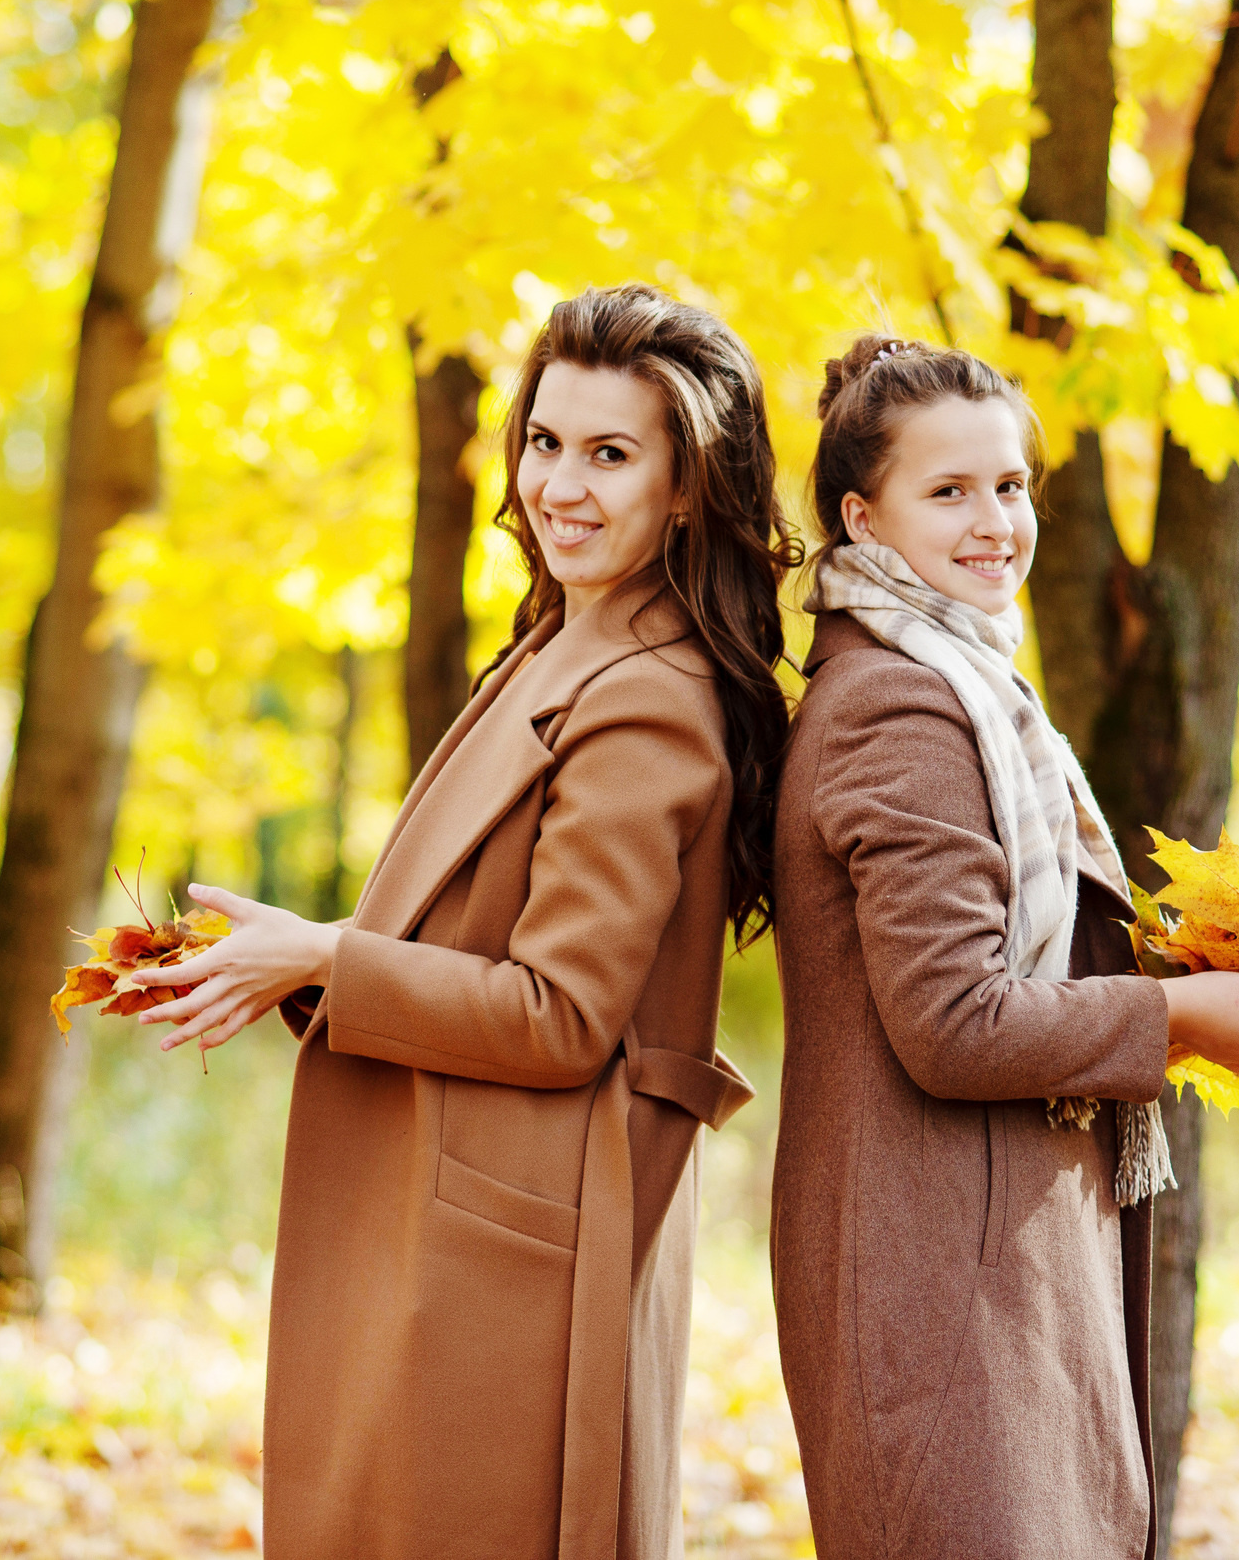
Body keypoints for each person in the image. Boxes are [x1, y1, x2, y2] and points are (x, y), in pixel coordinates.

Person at [119, 283, 802, 1560]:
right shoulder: (560, 641)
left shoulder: (646, 695)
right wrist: (296, 959)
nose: (562, 485)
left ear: (688, 485)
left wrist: (327, 954)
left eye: (611, 453)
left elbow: (560, 1014)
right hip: (452, 1212)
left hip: (518, 1246)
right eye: (545, 441)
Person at [768, 336, 1239, 1560]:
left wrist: (1202, 976)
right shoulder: (897, 702)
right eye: (950, 490)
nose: (993, 522)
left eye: (1011, 485)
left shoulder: (961, 680)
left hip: (985, 1259)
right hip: (940, 1283)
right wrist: (1180, 1021)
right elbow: (954, 1021)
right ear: (862, 517)